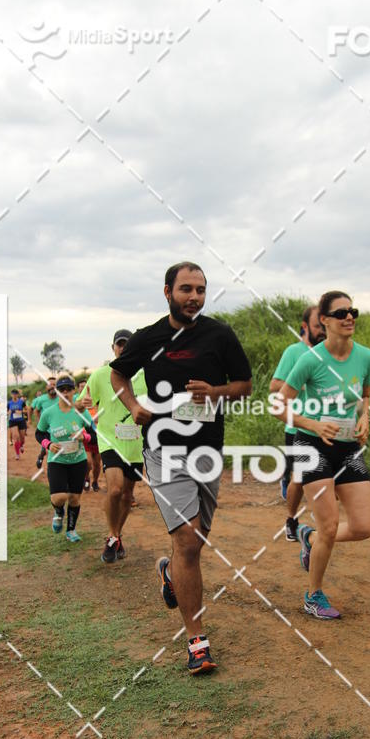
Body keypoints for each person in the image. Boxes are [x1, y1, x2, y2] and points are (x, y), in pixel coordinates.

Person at [110, 261, 252, 674]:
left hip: (207, 451)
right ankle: (197, 641)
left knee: (195, 542)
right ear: (168, 290)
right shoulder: (149, 337)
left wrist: (217, 392)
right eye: (186, 288)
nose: (194, 296)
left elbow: (244, 387)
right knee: (189, 542)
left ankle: (170, 573)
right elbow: (119, 374)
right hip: (162, 450)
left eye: (201, 290)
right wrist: (134, 405)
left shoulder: (219, 335)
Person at [272, 291, 370, 620]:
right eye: (341, 313)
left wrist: (364, 418)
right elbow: (279, 405)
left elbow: (366, 395)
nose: (349, 318)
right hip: (310, 445)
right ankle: (313, 594)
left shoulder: (366, 357)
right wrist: (313, 424)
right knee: (330, 526)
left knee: (363, 527)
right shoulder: (309, 360)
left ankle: (309, 536)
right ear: (325, 321)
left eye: (353, 311)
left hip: (348, 447)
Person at [77, 331, 146, 562]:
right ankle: (112, 535)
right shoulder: (100, 375)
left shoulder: (144, 375)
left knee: (127, 495)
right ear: (113, 348)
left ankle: (116, 535)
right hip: (108, 439)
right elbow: (80, 404)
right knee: (114, 490)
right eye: (120, 345)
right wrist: (82, 403)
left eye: (128, 345)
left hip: (136, 443)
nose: (124, 349)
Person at [270, 304, 326, 540]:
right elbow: (275, 386)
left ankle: (322, 520)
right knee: (299, 478)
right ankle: (291, 520)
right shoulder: (294, 352)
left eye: (325, 325)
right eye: (317, 326)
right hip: (298, 426)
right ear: (305, 327)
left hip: (328, 426)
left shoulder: (330, 353)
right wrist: (302, 382)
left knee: (327, 477)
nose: (322, 330)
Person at [34, 375, 88, 543]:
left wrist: (83, 436)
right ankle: (58, 512)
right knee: (59, 498)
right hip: (56, 461)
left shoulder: (81, 412)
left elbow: (93, 434)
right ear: (57, 392)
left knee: (74, 498)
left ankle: (71, 530)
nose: (65, 392)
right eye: (61, 389)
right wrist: (48, 444)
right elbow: (39, 433)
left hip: (78, 461)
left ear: (74, 391)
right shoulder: (49, 413)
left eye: (68, 389)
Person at [33, 378, 58, 468]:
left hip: (59, 429)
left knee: (54, 449)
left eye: (54, 385)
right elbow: (36, 410)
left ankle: (53, 467)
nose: (52, 387)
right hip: (46, 430)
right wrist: (40, 421)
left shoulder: (61, 398)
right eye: (50, 384)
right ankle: (40, 456)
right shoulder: (41, 399)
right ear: (46, 387)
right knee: (44, 449)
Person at [7, 389, 28, 460]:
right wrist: (9, 412)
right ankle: (17, 454)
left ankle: (21, 445)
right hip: (12, 421)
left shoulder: (21, 402)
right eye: (13, 394)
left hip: (21, 421)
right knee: (16, 437)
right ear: (11, 395)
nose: (14, 395)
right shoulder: (9, 403)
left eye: (16, 394)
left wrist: (21, 411)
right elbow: (6, 412)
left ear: (18, 395)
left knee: (22, 438)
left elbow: (26, 410)